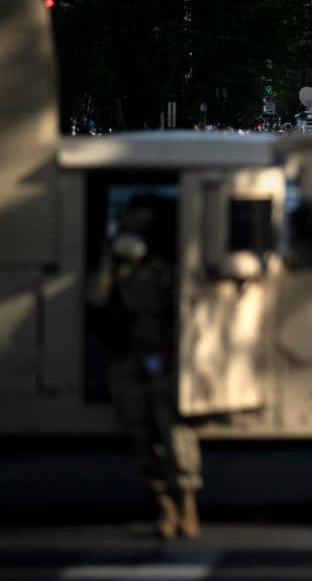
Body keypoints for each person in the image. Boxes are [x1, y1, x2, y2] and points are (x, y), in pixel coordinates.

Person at [90, 197, 202, 540]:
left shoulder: (166, 269)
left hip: (165, 357)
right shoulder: (120, 269)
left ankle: (186, 503)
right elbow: (96, 299)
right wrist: (111, 260)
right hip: (131, 358)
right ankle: (164, 505)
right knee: (139, 434)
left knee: (175, 433)